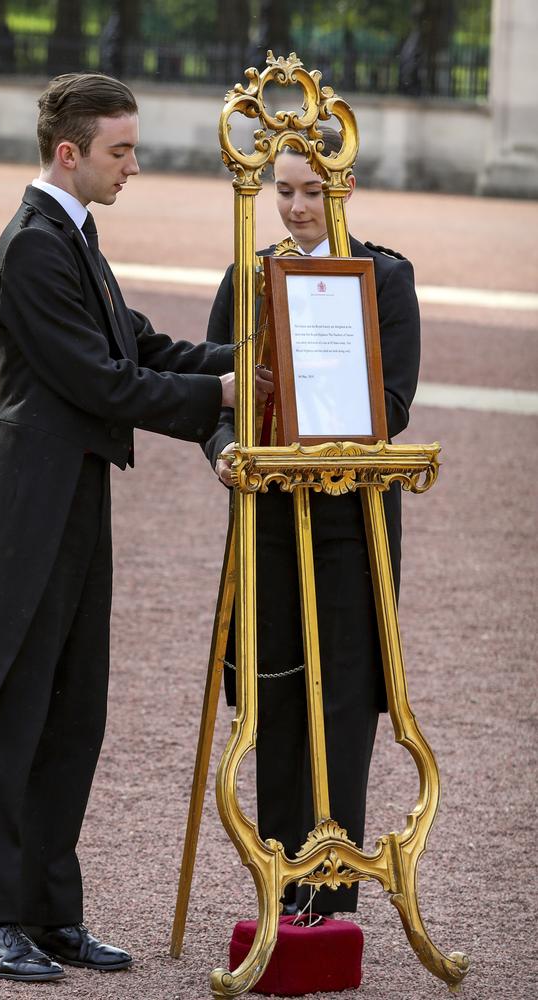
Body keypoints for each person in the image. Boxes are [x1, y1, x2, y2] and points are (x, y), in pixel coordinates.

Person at [0, 71, 272, 983]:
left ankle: (50, 916)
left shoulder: (74, 238)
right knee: (8, 709)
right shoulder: (35, 248)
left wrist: (258, 352)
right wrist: (222, 393)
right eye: (119, 151)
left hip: (75, 491)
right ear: (69, 153)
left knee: (73, 712)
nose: (134, 166)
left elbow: (142, 347)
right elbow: (103, 383)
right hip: (27, 500)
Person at [203, 134, 420, 918]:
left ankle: (330, 892)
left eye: (309, 191)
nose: (295, 207)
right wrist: (227, 451)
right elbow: (209, 392)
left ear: (344, 185)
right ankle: (279, 880)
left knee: (344, 698)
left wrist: (315, 399)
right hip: (266, 519)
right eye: (283, 191)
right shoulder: (248, 275)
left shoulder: (386, 279)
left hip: (347, 522)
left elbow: (392, 408)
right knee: (274, 697)